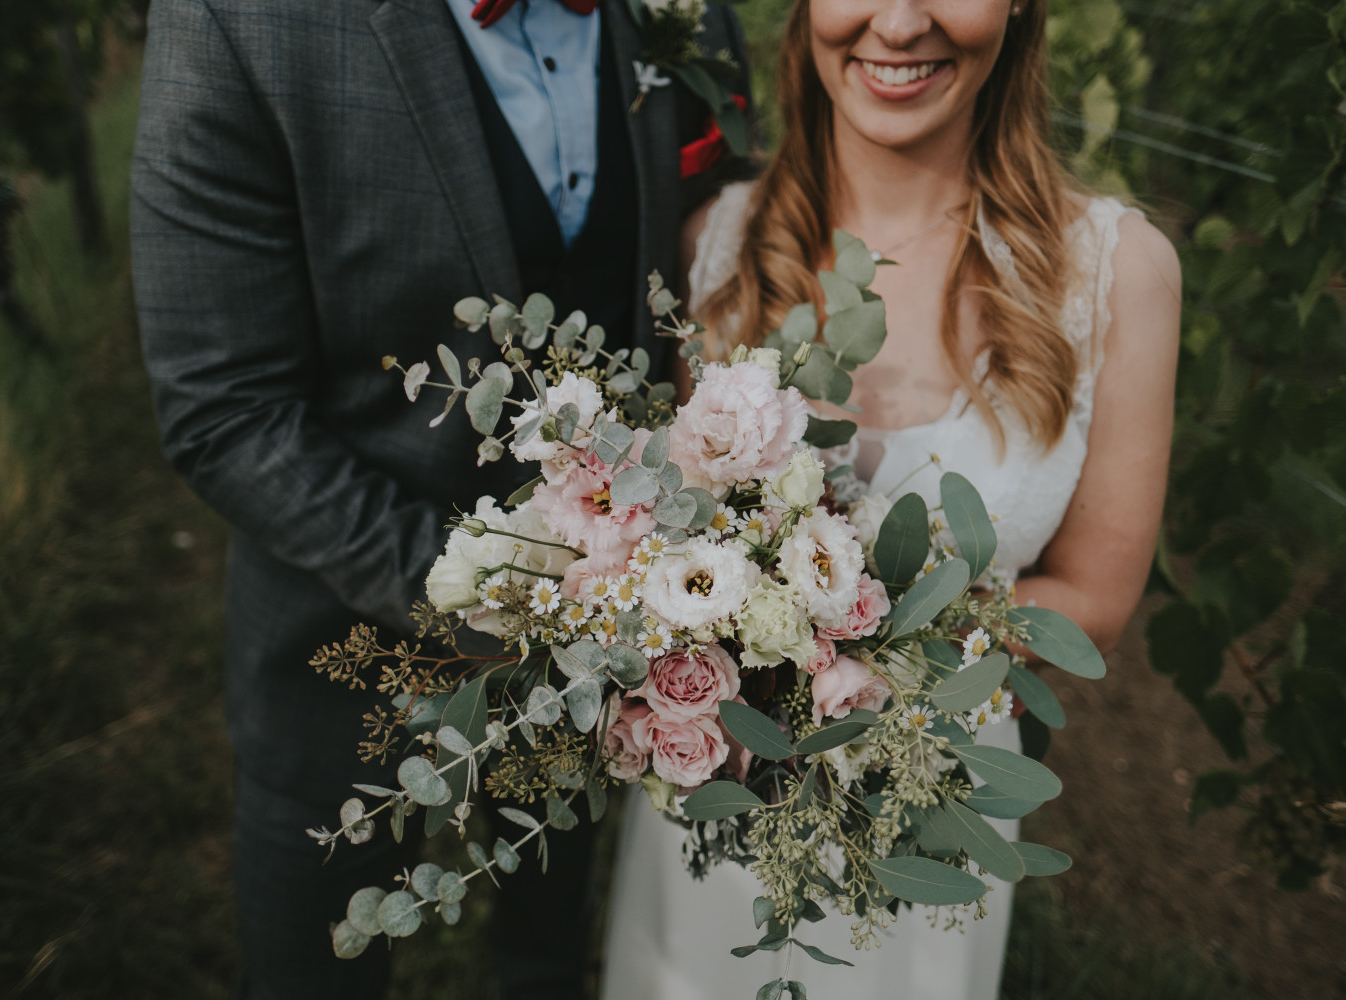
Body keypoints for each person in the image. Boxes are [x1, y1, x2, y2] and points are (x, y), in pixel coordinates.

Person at [128, 0, 749, 996]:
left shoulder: (683, 11)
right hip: (336, 649)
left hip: (618, 649)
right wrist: (505, 598)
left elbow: (721, 253)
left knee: (548, 955)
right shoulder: (241, 23)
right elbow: (223, 409)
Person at [600, 0, 1180, 997]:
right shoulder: (714, 244)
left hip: (928, 821)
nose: (901, 22)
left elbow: (1095, 599)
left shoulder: (1118, 272)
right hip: (717, 800)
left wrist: (852, 650)